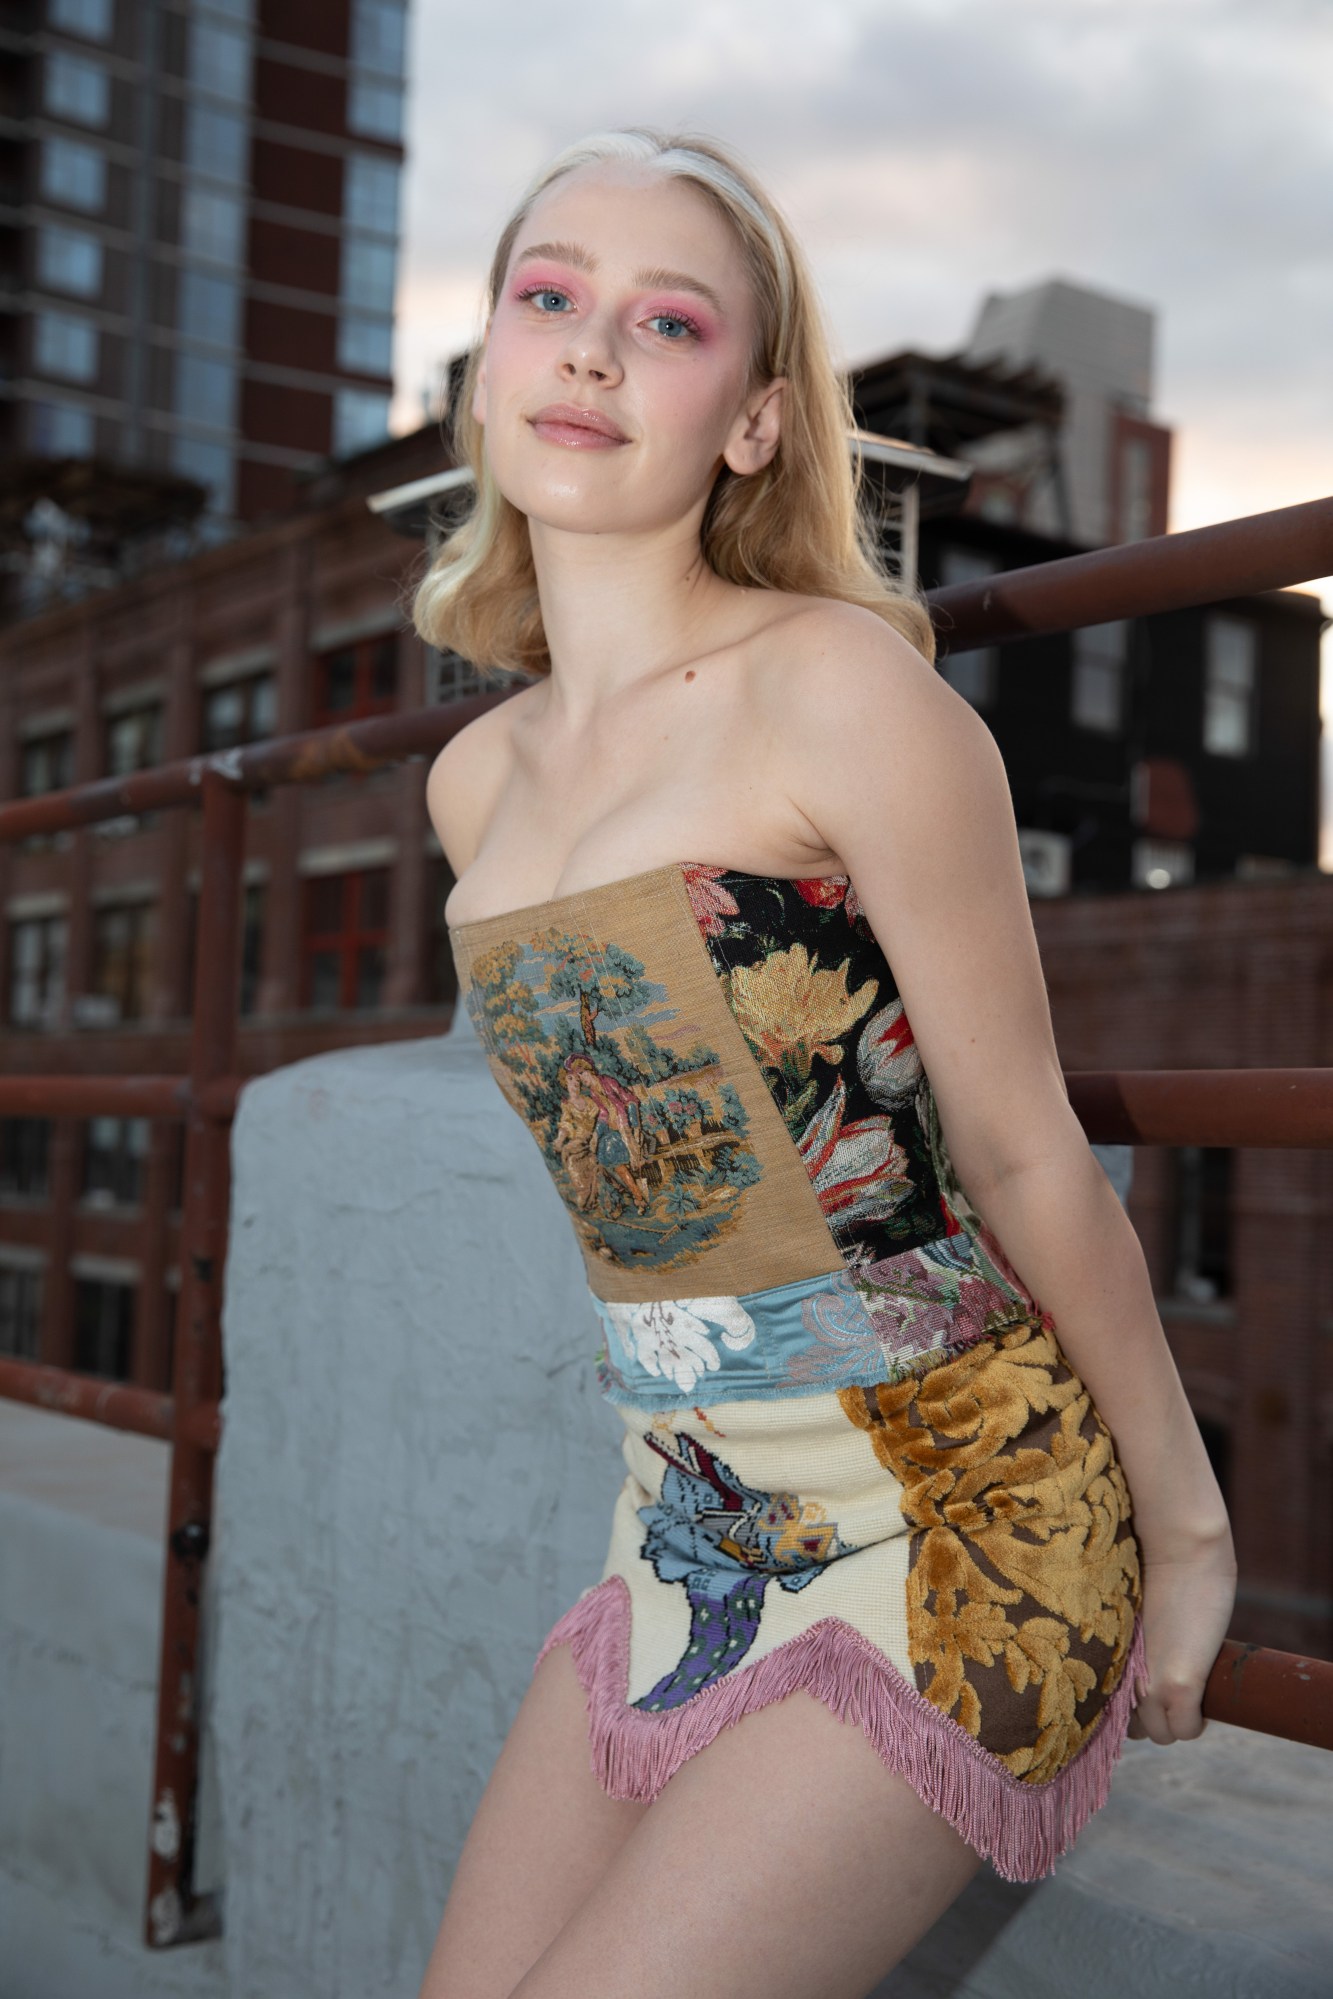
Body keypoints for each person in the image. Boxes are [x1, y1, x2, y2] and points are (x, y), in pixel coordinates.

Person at [414, 126, 1237, 1999]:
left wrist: (1186, 1533)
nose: (592, 350)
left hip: (961, 1511)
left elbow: (1025, 1155)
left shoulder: (845, 692)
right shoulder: (471, 780)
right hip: (687, 1524)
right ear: (487, 366)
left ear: (759, 421)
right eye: (548, 298)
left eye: (667, 320)